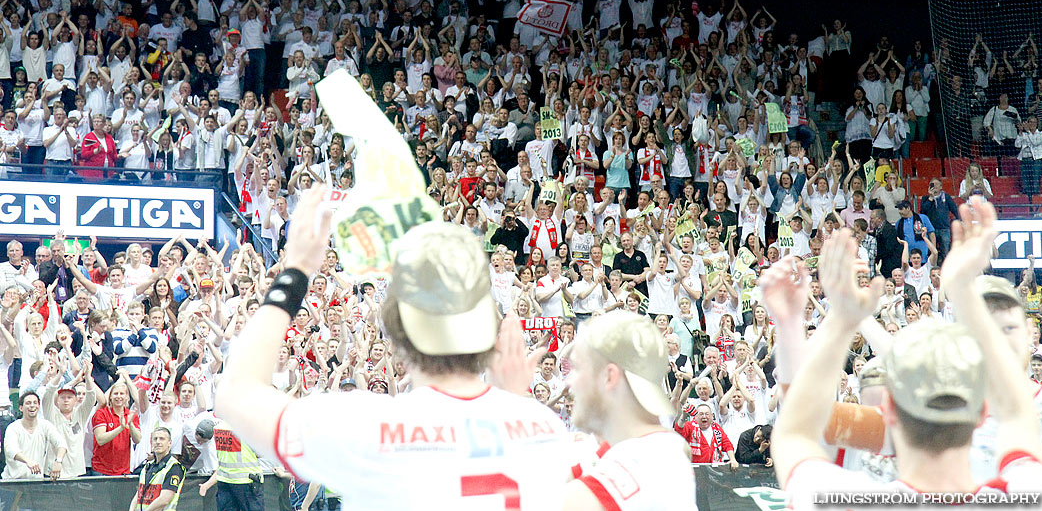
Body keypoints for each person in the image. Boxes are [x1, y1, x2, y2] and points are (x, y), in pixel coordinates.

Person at [214, 187, 572, 508]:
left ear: (397, 335)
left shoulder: (369, 427)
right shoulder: (544, 428)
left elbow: (235, 395)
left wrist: (295, 271)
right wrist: (508, 399)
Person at [769, 203, 1042, 510]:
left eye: (1006, 327)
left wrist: (838, 319)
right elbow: (1017, 415)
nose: (995, 337)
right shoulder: (1027, 494)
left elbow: (797, 426)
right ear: (982, 413)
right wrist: (960, 287)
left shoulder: (849, 501)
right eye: (983, 326)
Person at [560, 310, 698, 510]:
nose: (569, 380)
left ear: (609, 377)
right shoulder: (668, 446)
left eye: (578, 368)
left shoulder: (586, 497)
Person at [2, 391, 66, 480]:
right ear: (21, 408)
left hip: (36, 481)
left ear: (39, 407)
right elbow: (11, 450)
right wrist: (28, 461)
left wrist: (58, 461)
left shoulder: (45, 425)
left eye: (35, 403)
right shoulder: (13, 428)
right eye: (28, 403)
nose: (32, 405)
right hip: (13, 482)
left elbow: (61, 443)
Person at [131, 427, 186, 511]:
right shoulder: (147, 466)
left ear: (169, 443)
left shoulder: (174, 467)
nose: (158, 442)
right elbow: (139, 493)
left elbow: (164, 499)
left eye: (162, 439)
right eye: (155, 439)